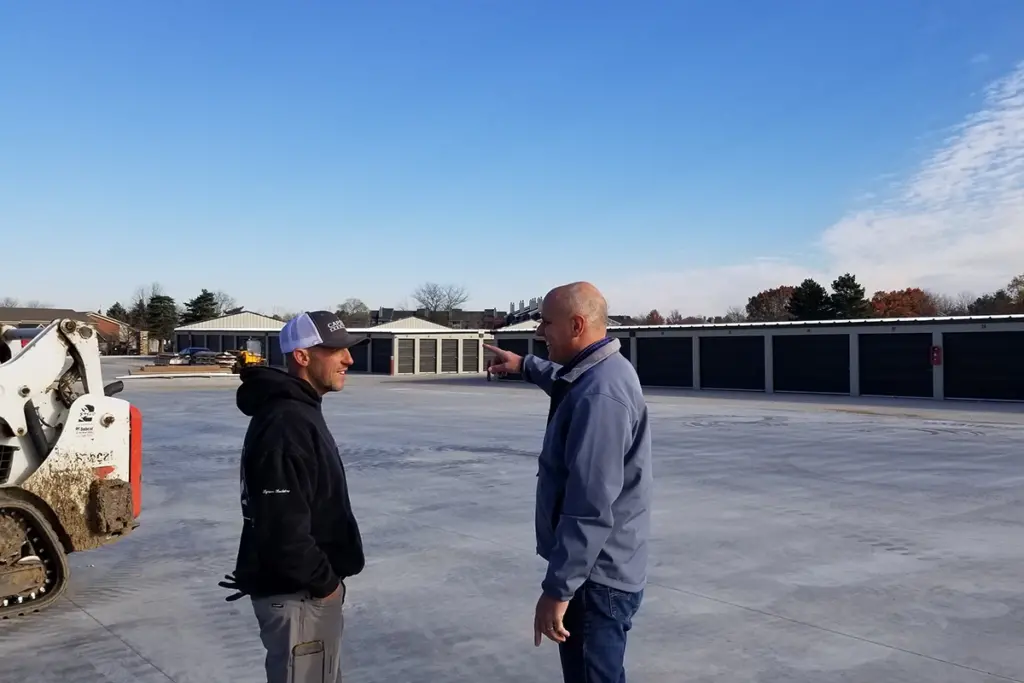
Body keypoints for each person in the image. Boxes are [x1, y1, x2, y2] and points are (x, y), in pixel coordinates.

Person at [484, 282, 653, 683]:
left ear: (577, 324)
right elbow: (568, 383)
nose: (540, 332)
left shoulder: (601, 395)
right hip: (602, 570)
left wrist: (558, 590)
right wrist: (524, 365)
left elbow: (590, 507)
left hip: (595, 580)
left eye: (545, 323)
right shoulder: (600, 372)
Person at [219, 310, 368, 683]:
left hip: (305, 592)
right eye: (335, 351)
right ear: (302, 356)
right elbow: (282, 529)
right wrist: (326, 585)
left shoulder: (297, 411)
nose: (348, 359)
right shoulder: (286, 422)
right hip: (300, 595)